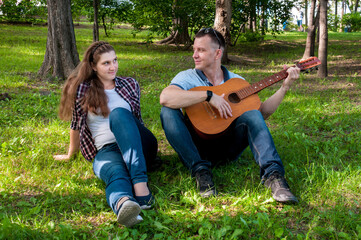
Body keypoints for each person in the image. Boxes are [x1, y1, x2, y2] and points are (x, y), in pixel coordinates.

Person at [159, 28, 300, 204]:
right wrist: (208, 96)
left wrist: (285, 87)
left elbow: (262, 113)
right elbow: (165, 98)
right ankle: (201, 172)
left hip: (227, 147)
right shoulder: (187, 77)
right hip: (196, 146)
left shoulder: (236, 82)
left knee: (253, 114)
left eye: (201, 50)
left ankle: (274, 177)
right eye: (194, 49)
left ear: (218, 53)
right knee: (168, 111)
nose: (195, 55)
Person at [54, 41, 158, 227]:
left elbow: (138, 120)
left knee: (118, 114)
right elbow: (76, 124)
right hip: (107, 150)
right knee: (115, 173)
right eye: (106, 63)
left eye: (115, 60)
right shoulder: (83, 89)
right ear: (93, 66)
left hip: (139, 144)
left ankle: (141, 187)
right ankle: (123, 204)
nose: (113, 66)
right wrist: (71, 154)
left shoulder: (130, 84)